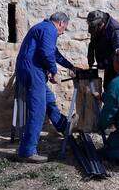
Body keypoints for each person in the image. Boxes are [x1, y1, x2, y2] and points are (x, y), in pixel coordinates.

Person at [15, 12, 79, 163]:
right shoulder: (49, 29)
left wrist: (70, 66)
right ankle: (27, 151)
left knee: (49, 100)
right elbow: (46, 53)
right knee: (38, 110)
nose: (63, 32)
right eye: (64, 29)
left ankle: (64, 126)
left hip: (32, 69)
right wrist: (54, 71)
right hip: (32, 70)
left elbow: (54, 53)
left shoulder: (44, 28)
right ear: (61, 23)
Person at [86, 10, 119, 90]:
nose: (94, 31)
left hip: (117, 67)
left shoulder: (115, 30)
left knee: (114, 89)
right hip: (108, 64)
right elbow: (92, 45)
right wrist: (90, 64)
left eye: (95, 28)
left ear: (102, 24)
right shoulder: (94, 26)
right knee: (107, 88)